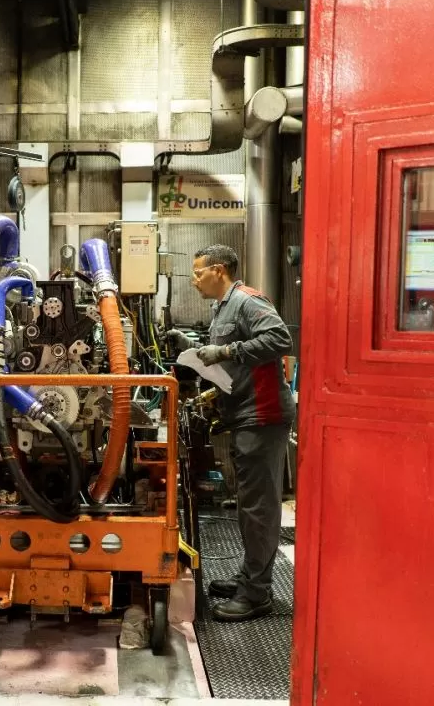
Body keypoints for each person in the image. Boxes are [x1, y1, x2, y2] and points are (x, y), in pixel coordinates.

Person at [166, 245, 295, 622]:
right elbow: (227, 358)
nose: (194, 280)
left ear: (219, 270)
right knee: (249, 505)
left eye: (198, 273)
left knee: (259, 508)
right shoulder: (222, 308)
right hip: (244, 416)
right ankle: (249, 578)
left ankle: (257, 594)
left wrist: (225, 352)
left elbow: (279, 340)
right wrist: (193, 349)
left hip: (262, 416)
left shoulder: (247, 301)